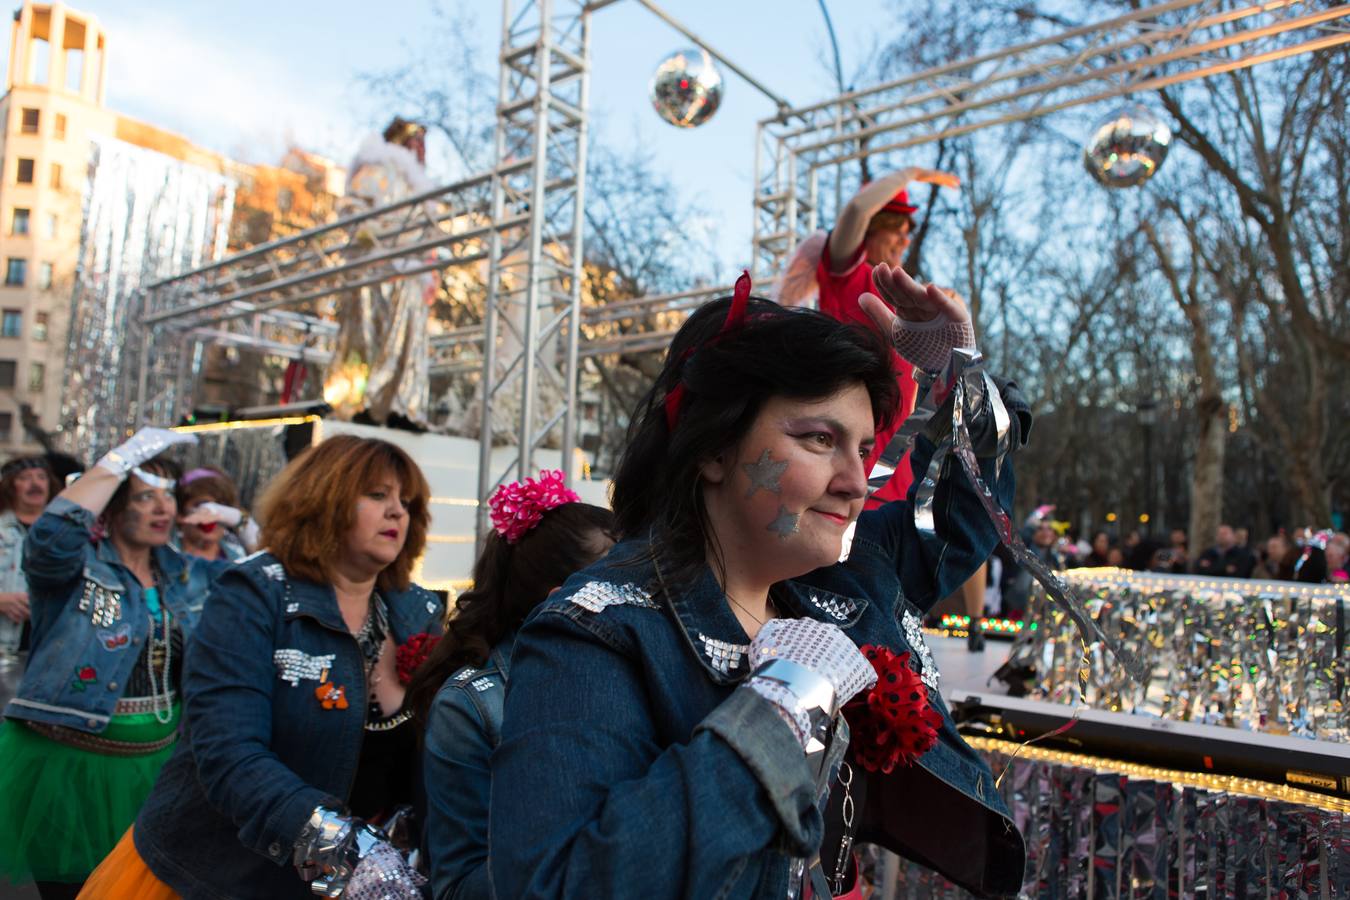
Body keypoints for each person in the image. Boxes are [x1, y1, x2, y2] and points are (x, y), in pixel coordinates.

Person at [488, 266, 1031, 898]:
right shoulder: (594, 636)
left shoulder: (850, 581)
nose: (857, 481)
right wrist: (782, 706)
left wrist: (962, 378)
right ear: (713, 449)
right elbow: (559, 886)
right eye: (820, 438)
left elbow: (963, 518)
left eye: (860, 449)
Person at [81, 435, 442, 899]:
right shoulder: (252, 594)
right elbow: (229, 755)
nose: (398, 512)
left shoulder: (418, 612)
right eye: (377, 495)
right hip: (222, 878)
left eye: (406, 502)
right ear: (323, 499)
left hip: (362, 883)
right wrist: (345, 849)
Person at [0, 428, 200, 899]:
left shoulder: (185, 575)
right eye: (146, 497)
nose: (162, 509)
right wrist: (117, 461)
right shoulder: (72, 569)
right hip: (68, 771)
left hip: (156, 768)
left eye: (167, 499)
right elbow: (50, 537)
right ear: (110, 506)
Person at [409, 473, 616, 900]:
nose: (648, 598)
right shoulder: (472, 705)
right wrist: (591, 855)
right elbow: (456, 885)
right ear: (567, 599)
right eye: (625, 584)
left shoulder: (646, 673)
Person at [777, 166, 960, 506]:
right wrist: (911, 173)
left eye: (909, 233)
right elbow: (857, 211)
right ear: (874, 229)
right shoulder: (846, 272)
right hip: (848, 476)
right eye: (897, 230)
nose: (905, 241)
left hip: (896, 479)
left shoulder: (904, 301)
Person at [323, 117, 435, 432]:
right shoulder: (378, 169)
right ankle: (361, 403)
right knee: (367, 335)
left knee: (407, 342)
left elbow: (428, 238)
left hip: (408, 275)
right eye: (416, 142)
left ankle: (401, 405)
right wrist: (369, 234)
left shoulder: (420, 188)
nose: (421, 150)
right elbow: (353, 208)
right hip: (375, 268)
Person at [0, 456, 58, 662]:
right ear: (10, 485)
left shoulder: (64, 532)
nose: (35, 484)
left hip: (50, 649)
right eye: (25, 477)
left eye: (41, 477)